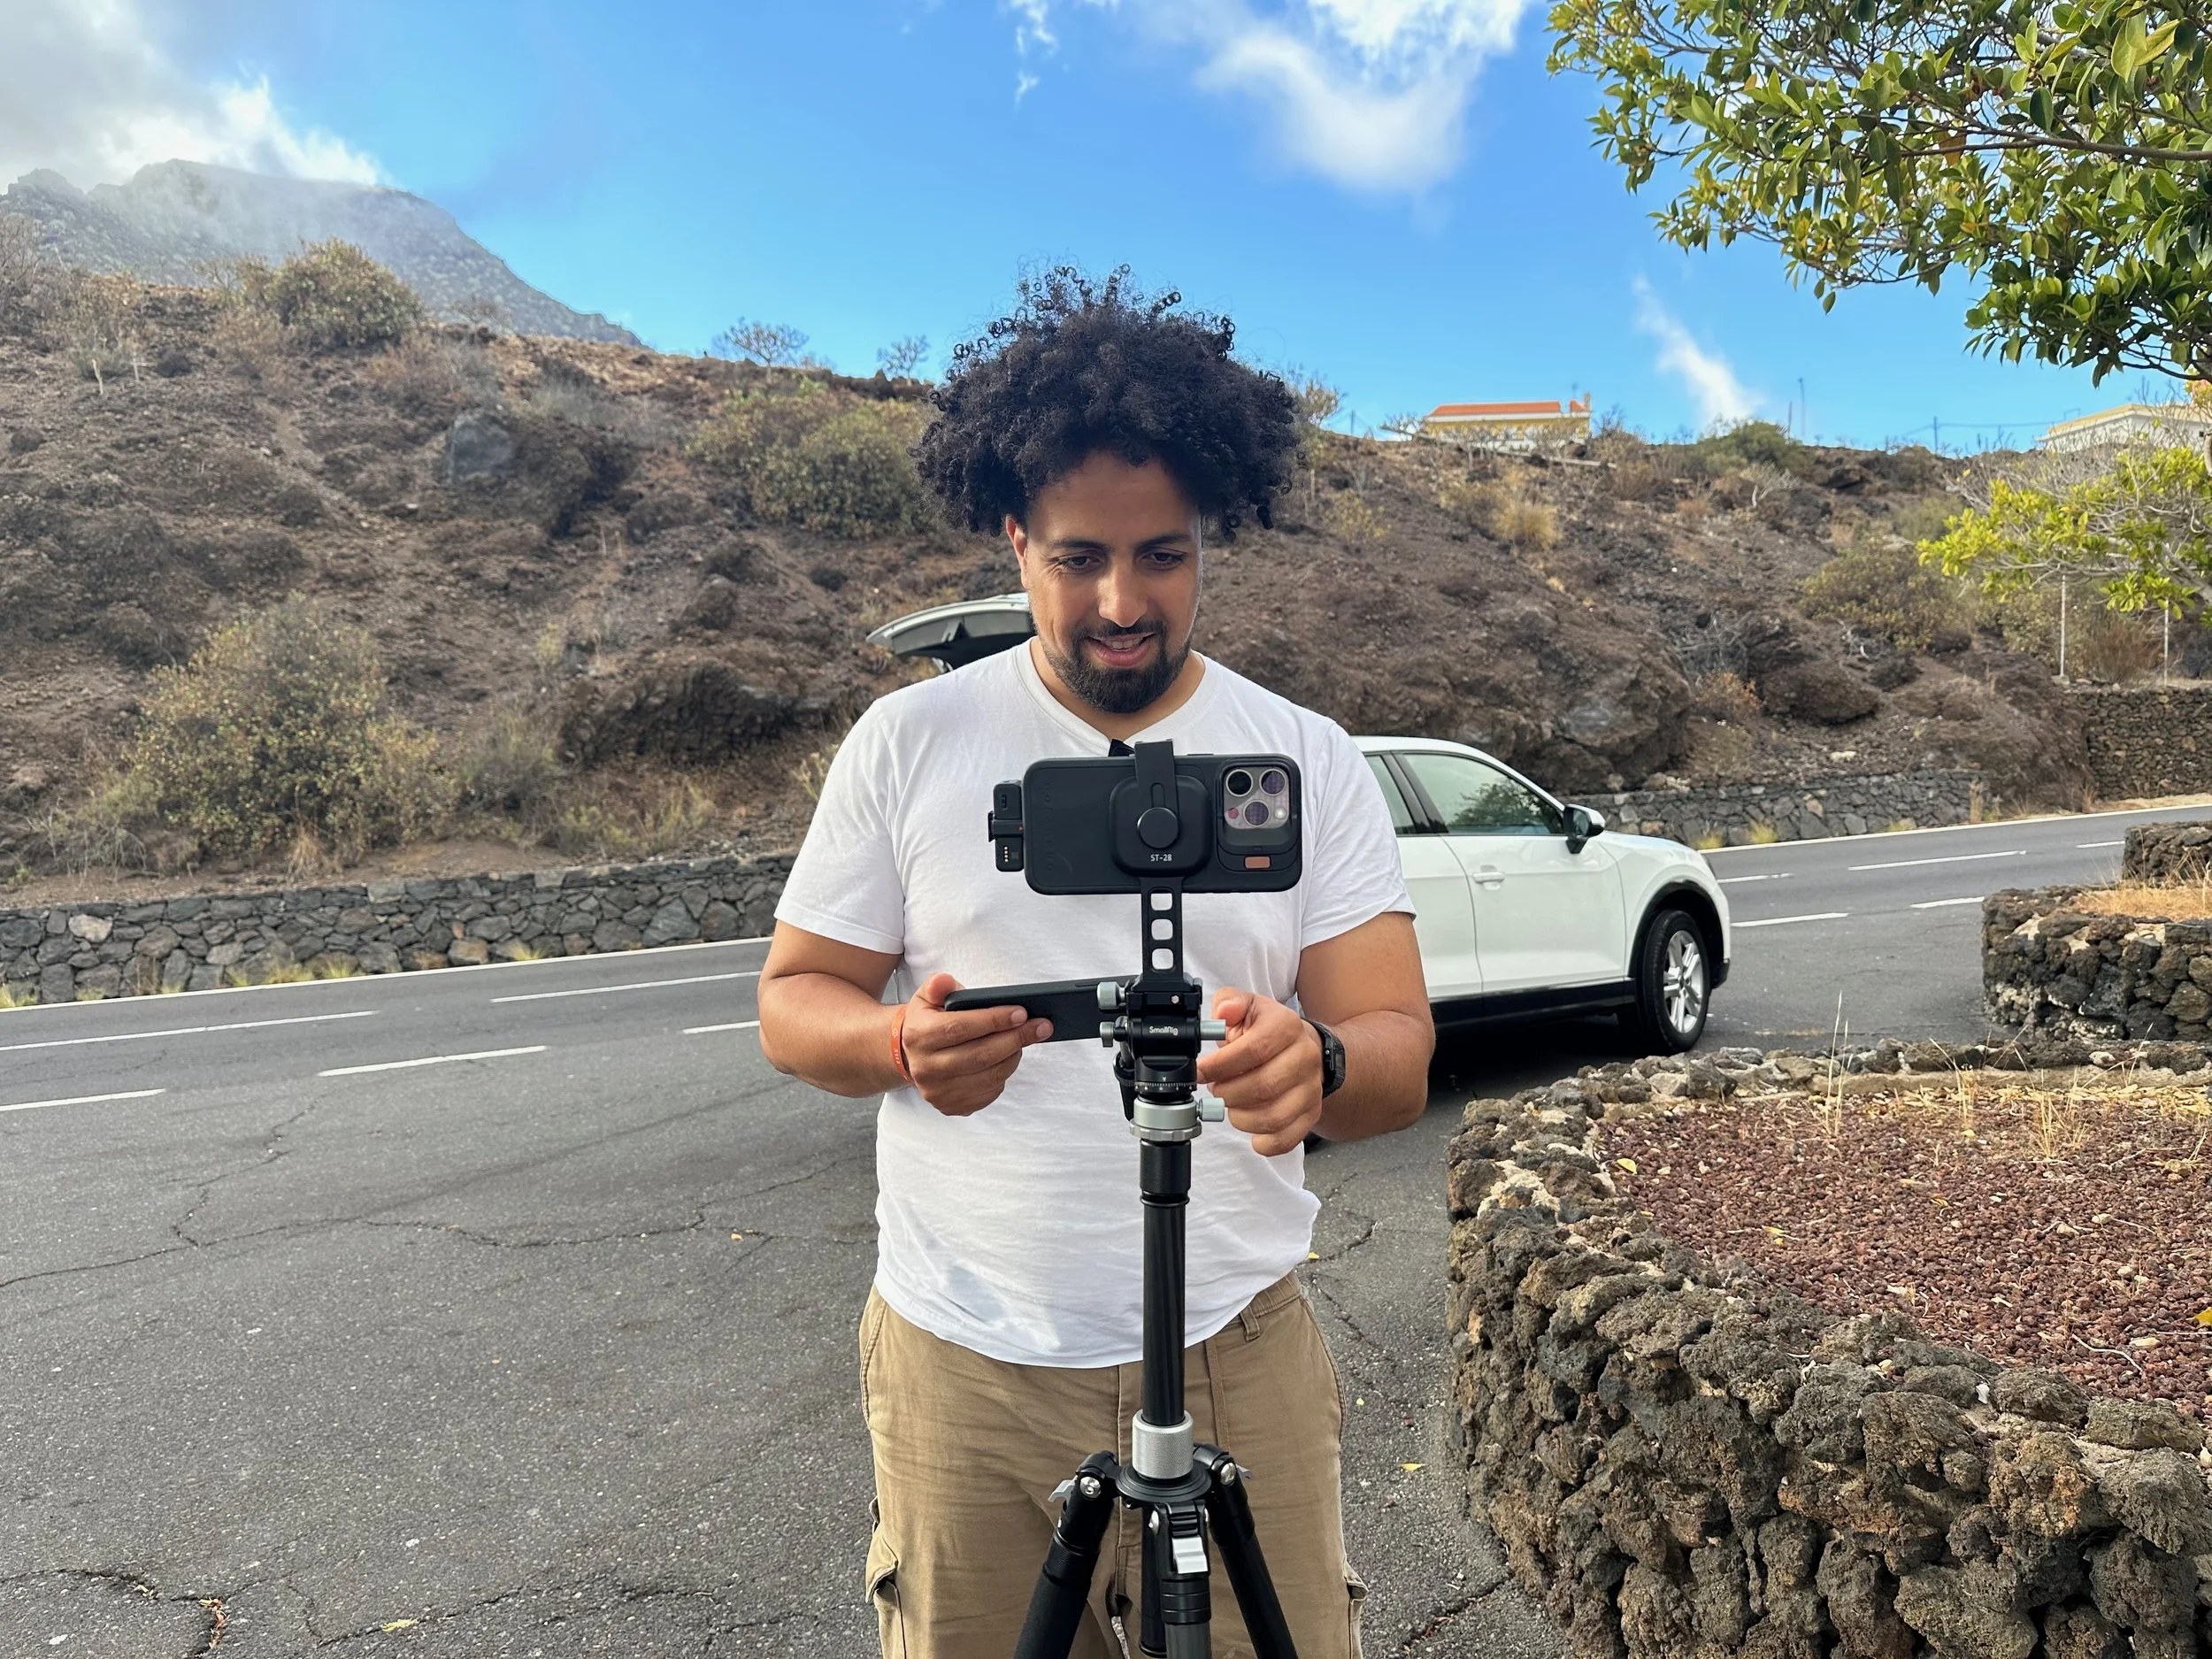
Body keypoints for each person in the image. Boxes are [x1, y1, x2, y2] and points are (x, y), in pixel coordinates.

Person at [756, 268, 1433, 1659]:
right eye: (1078, 557)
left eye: (1164, 556)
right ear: (1015, 539)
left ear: (1208, 544)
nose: (1123, 601)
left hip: (1238, 1350)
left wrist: (1322, 1065)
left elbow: (1398, 1047)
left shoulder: (1303, 756)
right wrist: (897, 1045)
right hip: (968, 1367)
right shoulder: (911, 744)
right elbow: (792, 999)